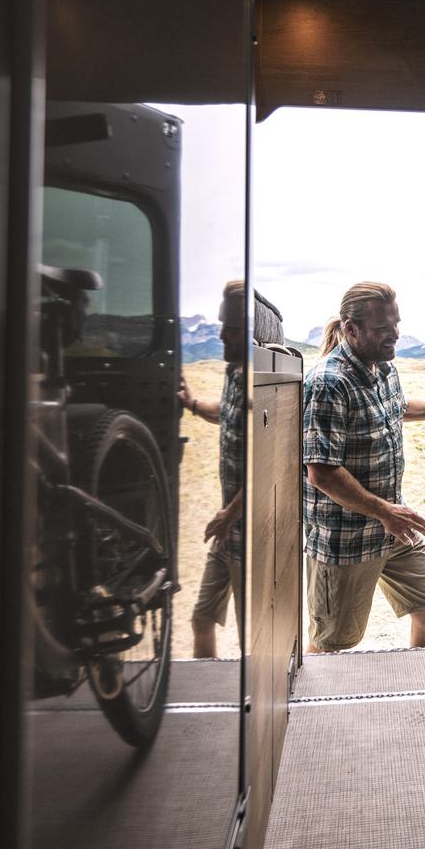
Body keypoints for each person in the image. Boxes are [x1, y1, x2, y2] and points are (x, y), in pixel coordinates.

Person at [301, 281, 425, 653]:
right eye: (383, 328)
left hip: (392, 527)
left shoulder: (383, 370)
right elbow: (321, 472)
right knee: (333, 644)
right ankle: (316, 709)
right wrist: (385, 511)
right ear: (351, 329)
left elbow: (399, 409)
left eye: (396, 323)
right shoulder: (329, 382)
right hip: (348, 538)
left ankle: (419, 693)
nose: (396, 335)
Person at [174, 280, 248, 658]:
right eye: (222, 323)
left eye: (231, 326)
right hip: (227, 531)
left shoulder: (259, 383)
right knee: (202, 619)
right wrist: (192, 405)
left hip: (248, 536)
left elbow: (266, 466)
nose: (220, 333)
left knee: (253, 638)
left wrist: (229, 515)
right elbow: (226, 414)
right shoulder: (234, 372)